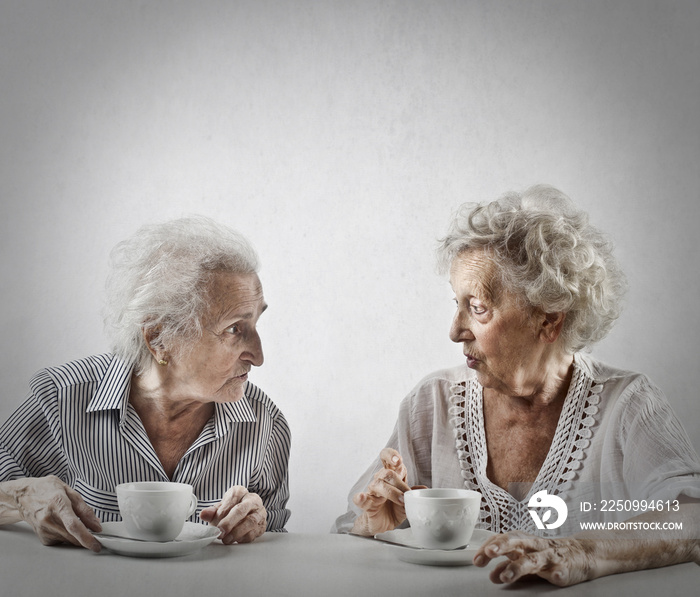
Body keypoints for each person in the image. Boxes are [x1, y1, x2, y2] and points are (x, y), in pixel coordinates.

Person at [333, 185, 700, 586]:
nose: (455, 331)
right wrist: (375, 531)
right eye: (456, 304)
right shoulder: (433, 403)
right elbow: (351, 540)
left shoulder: (627, 404)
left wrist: (580, 551)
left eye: (477, 308)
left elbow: (692, 515)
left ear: (549, 319)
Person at [0, 216, 291, 552]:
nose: (258, 355)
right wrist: (19, 497)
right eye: (233, 329)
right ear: (159, 338)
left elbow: (276, 547)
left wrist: (259, 524)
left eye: (256, 322)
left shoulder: (266, 424)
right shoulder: (60, 398)